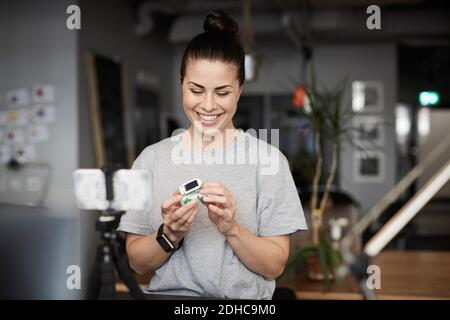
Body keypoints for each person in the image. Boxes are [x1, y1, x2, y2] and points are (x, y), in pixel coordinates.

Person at [117, 9, 307, 299]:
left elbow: (275, 265)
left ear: (239, 91)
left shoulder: (268, 162)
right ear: (181, 83)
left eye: (222, 92)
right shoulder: (150, 160)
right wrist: (169, 234)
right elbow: (137, 263)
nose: (207, 105)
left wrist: (231, 227)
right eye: (196, 90)